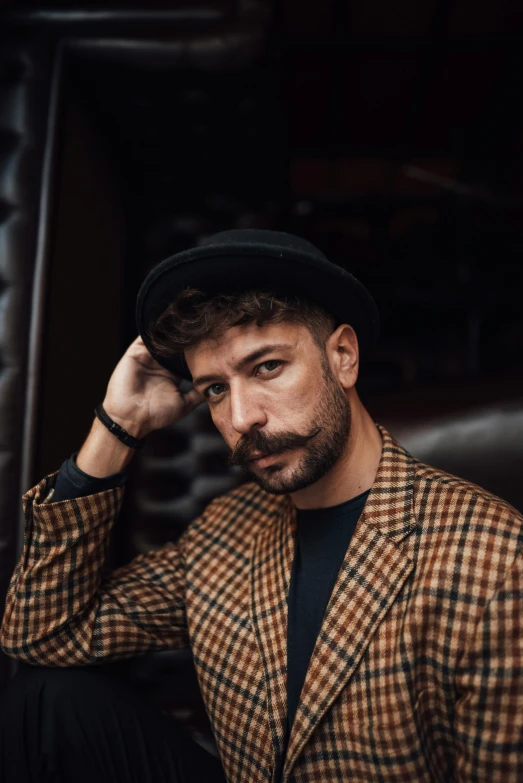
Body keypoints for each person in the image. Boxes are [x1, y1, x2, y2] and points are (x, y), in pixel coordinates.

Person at [0, 229, 522, 783]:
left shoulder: (495, 564)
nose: (242, 417)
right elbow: (42, 631)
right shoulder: (226, 529)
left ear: (342, 356)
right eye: (215, 390)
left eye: (267, 366)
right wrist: (118, 425)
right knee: (46, 701)